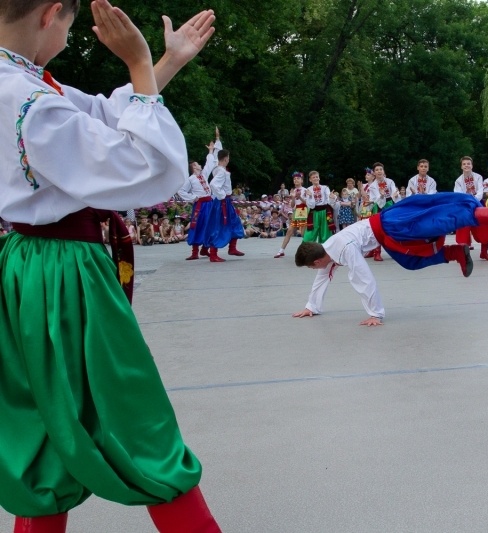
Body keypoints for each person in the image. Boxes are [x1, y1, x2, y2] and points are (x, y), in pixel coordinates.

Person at [0, 1, 221, 530]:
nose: (69, 37)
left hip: (23, 263)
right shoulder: (31, 100)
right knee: (137, 418)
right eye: (70, 24)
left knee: (43, 425)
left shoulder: (21, 83)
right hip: (65, 269)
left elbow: (99, 115)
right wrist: (139, 64)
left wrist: (166, 62)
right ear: (51, 14)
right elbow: (143, 167)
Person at [292, 193, 488, 325]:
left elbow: (362, 278)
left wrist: (375, 313)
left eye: (312, 268)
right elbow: (322, 278)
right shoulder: (327, 251)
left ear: (316, 261)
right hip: (388, 236)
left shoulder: (343, 248)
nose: (316, 270)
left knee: (441, 220)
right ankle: (455, 252)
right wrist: (311, 307)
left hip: (392, 225)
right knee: (411, 262)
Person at [204, 148, 245, 261]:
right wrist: (222, 195)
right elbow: (213, 184)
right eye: (228, 157)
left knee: (234, 222)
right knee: (219, 226)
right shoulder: (221, 172)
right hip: (222, 202)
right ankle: (214, 254)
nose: (229, 159)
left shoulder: (219, 169)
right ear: (226, 158)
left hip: (224, 202)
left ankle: (232, 248)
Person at [454, 156, 488, 260]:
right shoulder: (458, 181)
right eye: (464, 164)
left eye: (468, 164)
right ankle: (464, 255)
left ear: (472, 165)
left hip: (478, 204)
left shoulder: (478, 177)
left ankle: (484, 252)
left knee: (485, 227)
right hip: (465, 206)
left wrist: (474, 200)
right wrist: (467, 201)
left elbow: (481, 191)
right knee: (463, 230)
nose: (466, 165)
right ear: (461, 166)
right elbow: (458, 194)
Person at [367, 162, 401, 261]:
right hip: (378, 206)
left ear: (383, 171)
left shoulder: (390, 181)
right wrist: (381, 196)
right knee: (377, 229)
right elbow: (377, 201)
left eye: (381, 169)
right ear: (374, 173)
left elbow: (394, 192)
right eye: (377, 170)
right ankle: (376, 252)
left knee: (392, 227)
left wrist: (396, 195)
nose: (379, 171)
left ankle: (395, 251)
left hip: (390, 205)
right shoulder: (372, 186)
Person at [274, 171, 308, 258]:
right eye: (294, 179)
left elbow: (307, 203)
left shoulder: (305, 190)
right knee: (289, 231)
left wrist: (299, 197)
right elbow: (292, 205)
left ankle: (307, 251)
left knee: (303, 234)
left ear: (302, 180)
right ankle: (281, 251)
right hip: (296, 211)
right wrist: (292, 198)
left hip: (304, 211)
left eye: (298, 178)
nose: (296, 180)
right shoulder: (293, 190)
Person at [302, 170, 335, 243]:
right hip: (314, 212)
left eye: (317, 177)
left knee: (325, 231)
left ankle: (325, 247)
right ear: (310, 179)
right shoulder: (308, 189)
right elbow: (311, 205)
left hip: (325, 211)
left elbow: (329, 201)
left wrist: (332, 197)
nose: (315, 178)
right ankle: (306, 246)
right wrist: (311, 196)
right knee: (311, 230)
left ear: (319, 178)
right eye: (313, 177)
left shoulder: (325, 188)